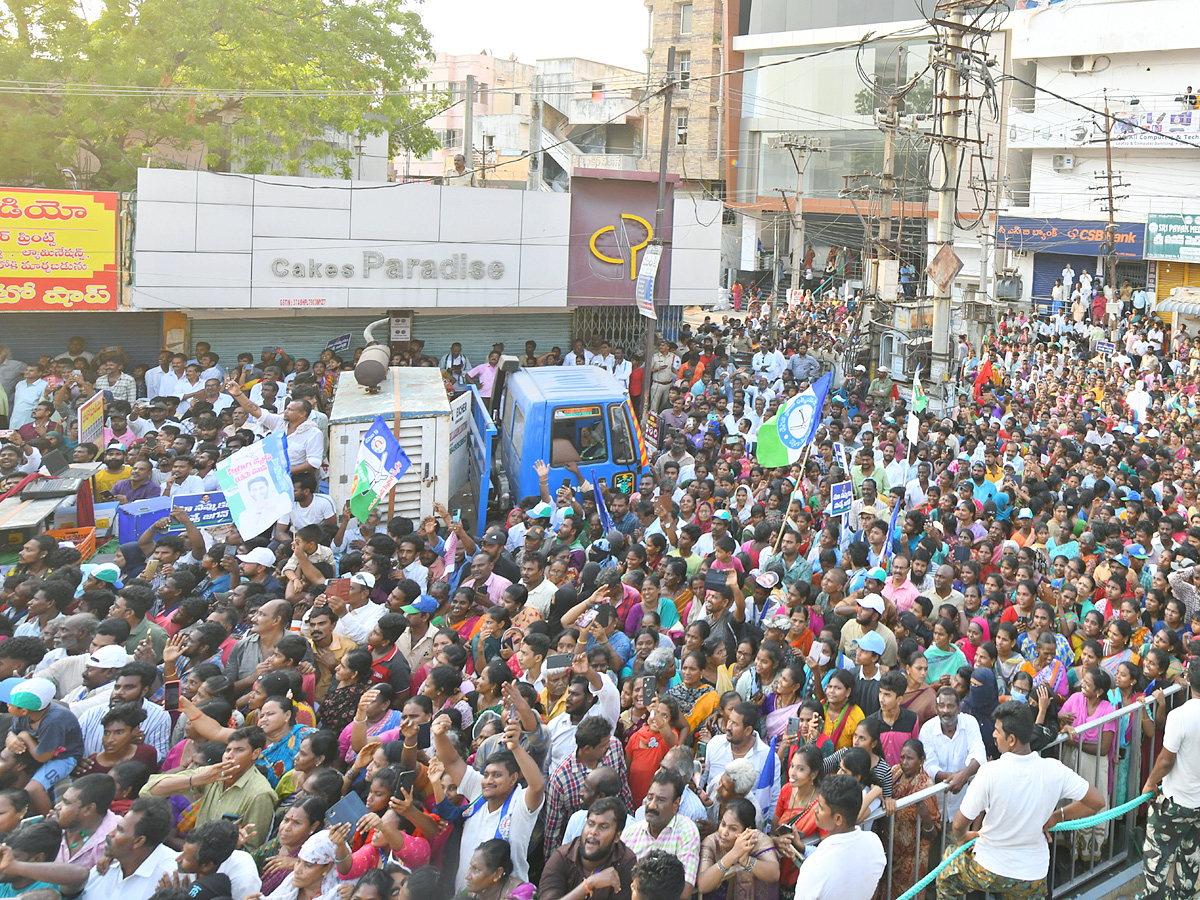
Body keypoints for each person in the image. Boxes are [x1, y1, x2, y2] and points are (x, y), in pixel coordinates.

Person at [935, 702, 1104, 900]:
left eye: (997, 731)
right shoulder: (1054, 769)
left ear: (1012, 739)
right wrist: (1058, 817)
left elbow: (959, 824)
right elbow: (1097, 801)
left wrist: (963, 837)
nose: (994, 735)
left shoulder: (990, 771)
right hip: (1033, 875)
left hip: (989, 869)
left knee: (947, 870)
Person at [433, 707, 545, 891]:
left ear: (513, 778)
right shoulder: (480, 790)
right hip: (466, 892)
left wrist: (515, 747)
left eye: (497, 775)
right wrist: (439, 735)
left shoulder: (521, 804)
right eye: (486, 774)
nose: (488, 781)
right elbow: (452, 762)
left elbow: (538, 785)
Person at [1141, 658, 1200, 900]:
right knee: (1191, 858)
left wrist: (1150, 782)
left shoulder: (1180, 715)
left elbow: (1166, 760)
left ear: (1188, 678)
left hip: (1176, 802)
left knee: (1157, 856)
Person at [791, 774, 885, 900]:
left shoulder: (814, 867)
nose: (815, 810)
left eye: (821, 807)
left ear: (838, 819)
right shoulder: (875, 843)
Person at [539, 796, 638, 900]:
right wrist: (588, 885)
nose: (593, 832)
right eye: (590, 824)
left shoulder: (626, 862)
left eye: (603, 827)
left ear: (617, 836)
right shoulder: (561, 857)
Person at [622, 770, 700, 897]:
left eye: (661, 800)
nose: (651, 806)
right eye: (649, 798)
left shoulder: (686, 831)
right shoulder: (630, 834)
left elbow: (685, 890)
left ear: (676, 804)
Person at [695, 798, 779, 900]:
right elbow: (703, 886)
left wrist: (746, 861)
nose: (724, 832)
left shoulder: (759, 840)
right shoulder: (712, 842)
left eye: (733, 829)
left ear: (747, 831)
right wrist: (734, 854)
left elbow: (774, 874)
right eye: (723, 824)